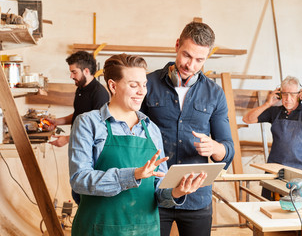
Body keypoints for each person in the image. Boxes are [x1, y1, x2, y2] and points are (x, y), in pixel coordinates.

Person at [69, 53, 206, 236]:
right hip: (98, 229)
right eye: (134, 85)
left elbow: (159, 191)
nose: (142, 91)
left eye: (144, 84)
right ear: (112, 86)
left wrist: (177, 192)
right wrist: (132, 175)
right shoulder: (88, 123)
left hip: (145, 230)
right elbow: (79, 179)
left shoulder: (152, 129)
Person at [141, 21, 235, 236]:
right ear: (177, 45)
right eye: (187, 55)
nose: (190, 65)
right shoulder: (147, 84)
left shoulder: (215, 94)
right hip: (153, 193)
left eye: (199, 60)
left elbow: (227, 147)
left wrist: (214, 148)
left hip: (197, 197)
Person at [243, 76, 302, 199]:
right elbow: (247, 119)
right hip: (275, 172)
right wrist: (267, 104)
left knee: (297, 210)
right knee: (269, 207)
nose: (288, 99)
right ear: (279, 95)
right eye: (284, 94)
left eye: (292, 94)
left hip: (300, 173)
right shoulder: (274, 112)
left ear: (300, 95)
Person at [46, 51, 109, 147]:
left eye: (74, 72)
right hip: (77, 144)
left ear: (86, 71)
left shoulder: (100, 94)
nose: (71, 76)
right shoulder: (80, 88)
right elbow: (79, 115)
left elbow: (96, 127)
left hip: (90, 149)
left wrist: (67, 139)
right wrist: (57, 121)